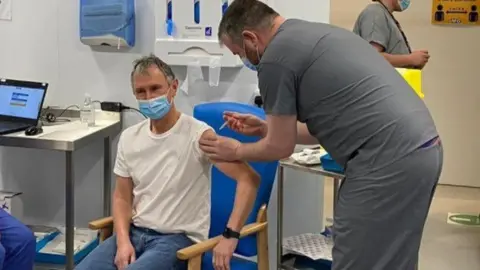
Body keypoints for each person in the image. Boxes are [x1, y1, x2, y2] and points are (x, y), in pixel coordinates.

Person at [199, 0, 443, 269]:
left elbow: (280, 148)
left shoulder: (275, 58)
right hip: (423, 148)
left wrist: (235, 150)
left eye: (238, 52)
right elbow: (325, 126)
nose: (242, 59)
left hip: (386, 159)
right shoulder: (315, 34)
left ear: (250, 38)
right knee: (393, 258)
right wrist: (268, 128)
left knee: (356, 259)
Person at [75, 55, 260, 270]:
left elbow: (249, 179)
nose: (149, 97)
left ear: (173, 88)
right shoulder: (129, 138)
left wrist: (231, 236)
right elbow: (122, 197)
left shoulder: (199, 136)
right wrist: (123, 241)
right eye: (141, 92)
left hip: (178, 241)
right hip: (134, 232)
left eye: (156, 88)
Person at [353, 0, 430, 69]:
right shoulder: (375, 13)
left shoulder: (384, 14)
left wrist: (413, 62)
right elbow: (372, 58)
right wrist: (410, 59)